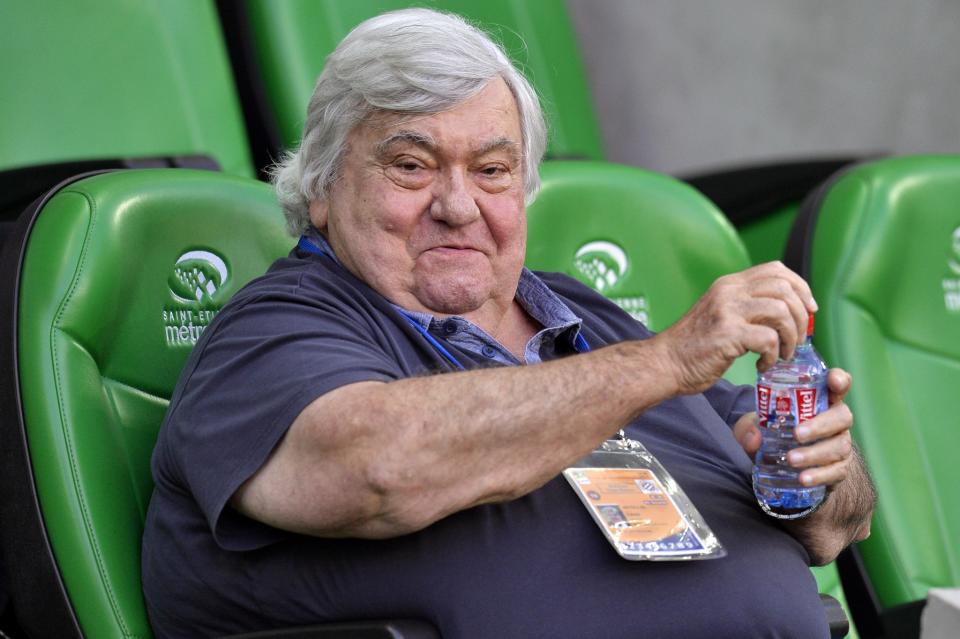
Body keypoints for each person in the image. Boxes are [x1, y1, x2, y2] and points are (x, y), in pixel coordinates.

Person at [142, 8, 875, 638]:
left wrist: (818, 478)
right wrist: (666, 362)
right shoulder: (276, 327)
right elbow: (375, 469)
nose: (458, 205)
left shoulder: (583, 315)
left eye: (492, 171)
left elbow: (837, 522)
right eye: (411, 165)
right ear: (323, 187)